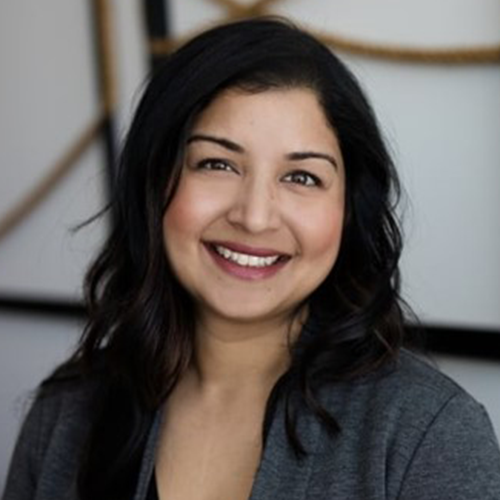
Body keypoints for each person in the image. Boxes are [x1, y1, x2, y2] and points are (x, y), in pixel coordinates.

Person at [3, 17, 500, 500]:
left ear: (349, 210)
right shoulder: (65, 412)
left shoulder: (428, 435)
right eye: (217, 164)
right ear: (153, 184)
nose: (255, 217)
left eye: (302, 177)